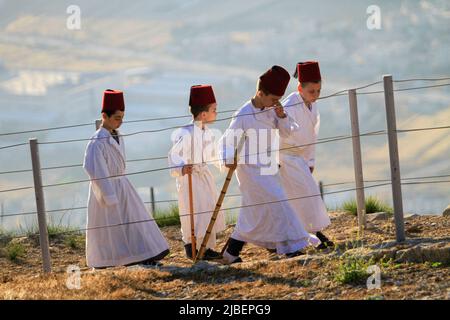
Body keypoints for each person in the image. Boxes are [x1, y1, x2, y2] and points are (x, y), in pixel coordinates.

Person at [218, 66, 320, 264]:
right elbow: (226, 141)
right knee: (279, 200)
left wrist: (282, 116)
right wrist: (227, 157)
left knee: (254, 211)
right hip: (249, 169)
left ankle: (231, 252)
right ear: (260, 93)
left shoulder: (272, 109)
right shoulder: (243, 115)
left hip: (267, 165)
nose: (276, 103)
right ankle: (291, 247)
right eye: (273, 99)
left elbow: (288, 132)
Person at [83, 89, 170, 268]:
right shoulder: (97, 142)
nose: (120, 122)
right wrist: (108, 195)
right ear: (104, 116)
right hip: (107, 190)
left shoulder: (117, 136)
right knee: (110, 227)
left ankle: (143, 254)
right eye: (116, 118)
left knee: (134, 221)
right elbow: (94, 169)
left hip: (122, 185)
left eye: (122, 117)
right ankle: (107, 260)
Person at [279, 61, 334, 249]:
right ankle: (310, 237)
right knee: (302, 198)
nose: (316, 95)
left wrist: (310, 160)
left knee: (307, 197)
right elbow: (276, 133)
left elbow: (312, 134)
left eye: (319, 91)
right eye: (312, 91)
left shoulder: (313, 106)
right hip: (285, 159)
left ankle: (312, 235)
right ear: (300, 88)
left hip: (300, 159)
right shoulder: (289, 106)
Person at [168, 85, 225, 260]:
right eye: (214, 110)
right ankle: (191, 246)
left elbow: (212, 153)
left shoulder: (207, 132)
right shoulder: (186, 132)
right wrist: (181, 168)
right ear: (203, 114)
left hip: (203, 177)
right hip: (190, 179)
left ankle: (206, 247)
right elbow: (173, 154)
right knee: (193, 212)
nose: (217, 113)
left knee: (207, 209)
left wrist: (224, 163)